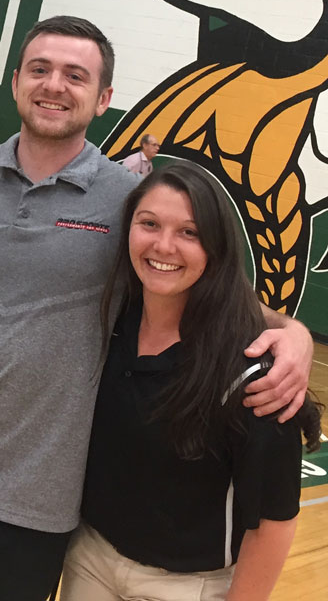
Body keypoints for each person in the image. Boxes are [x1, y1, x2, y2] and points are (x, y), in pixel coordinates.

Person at [0, 16, 314, 601]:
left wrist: (291, 330)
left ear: (104, 98)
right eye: (40, 69)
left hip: (35, 506)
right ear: (16, 80)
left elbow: (202, 280)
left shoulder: (127, 201)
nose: (54, 85)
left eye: (76, 75)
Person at [61, 161, 322, 600]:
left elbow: (274, 522)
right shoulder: (111, 323)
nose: (164, 245)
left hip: (187, 587)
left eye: (190, 232)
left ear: (216, 247)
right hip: (89, 561)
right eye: (149, 224)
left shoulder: (257, 374)